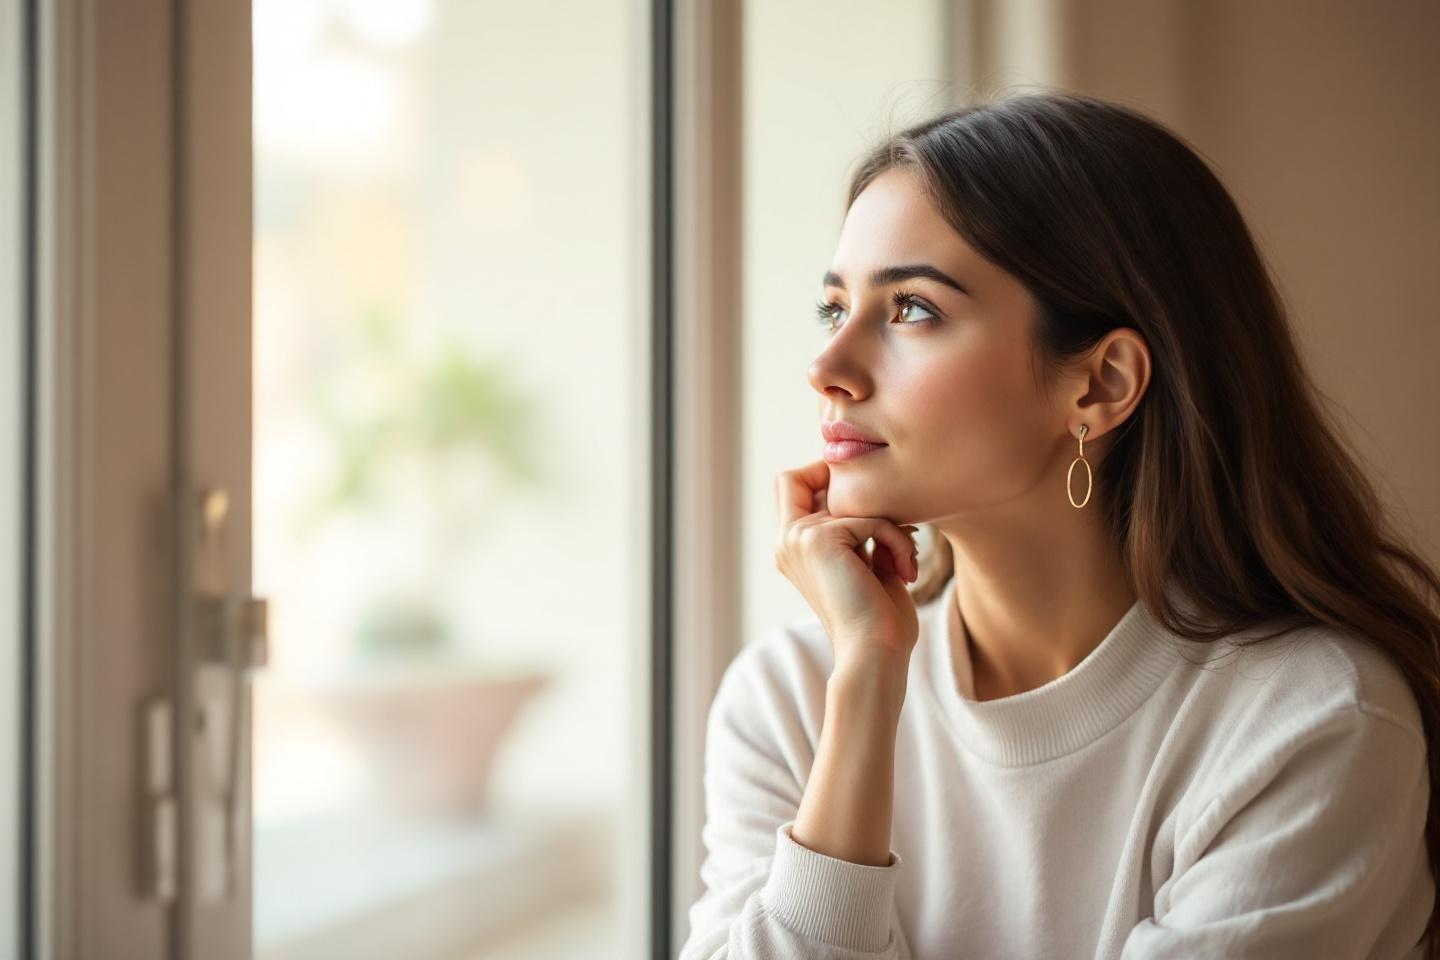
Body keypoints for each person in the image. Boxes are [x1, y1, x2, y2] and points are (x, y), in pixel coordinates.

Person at [677, 92, 1440, 959]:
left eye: (912, 310)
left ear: (1101, 383)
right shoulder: (789, 699)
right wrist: (865, 686)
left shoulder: (1308, 722)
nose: (827, 368)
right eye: (833, 308)